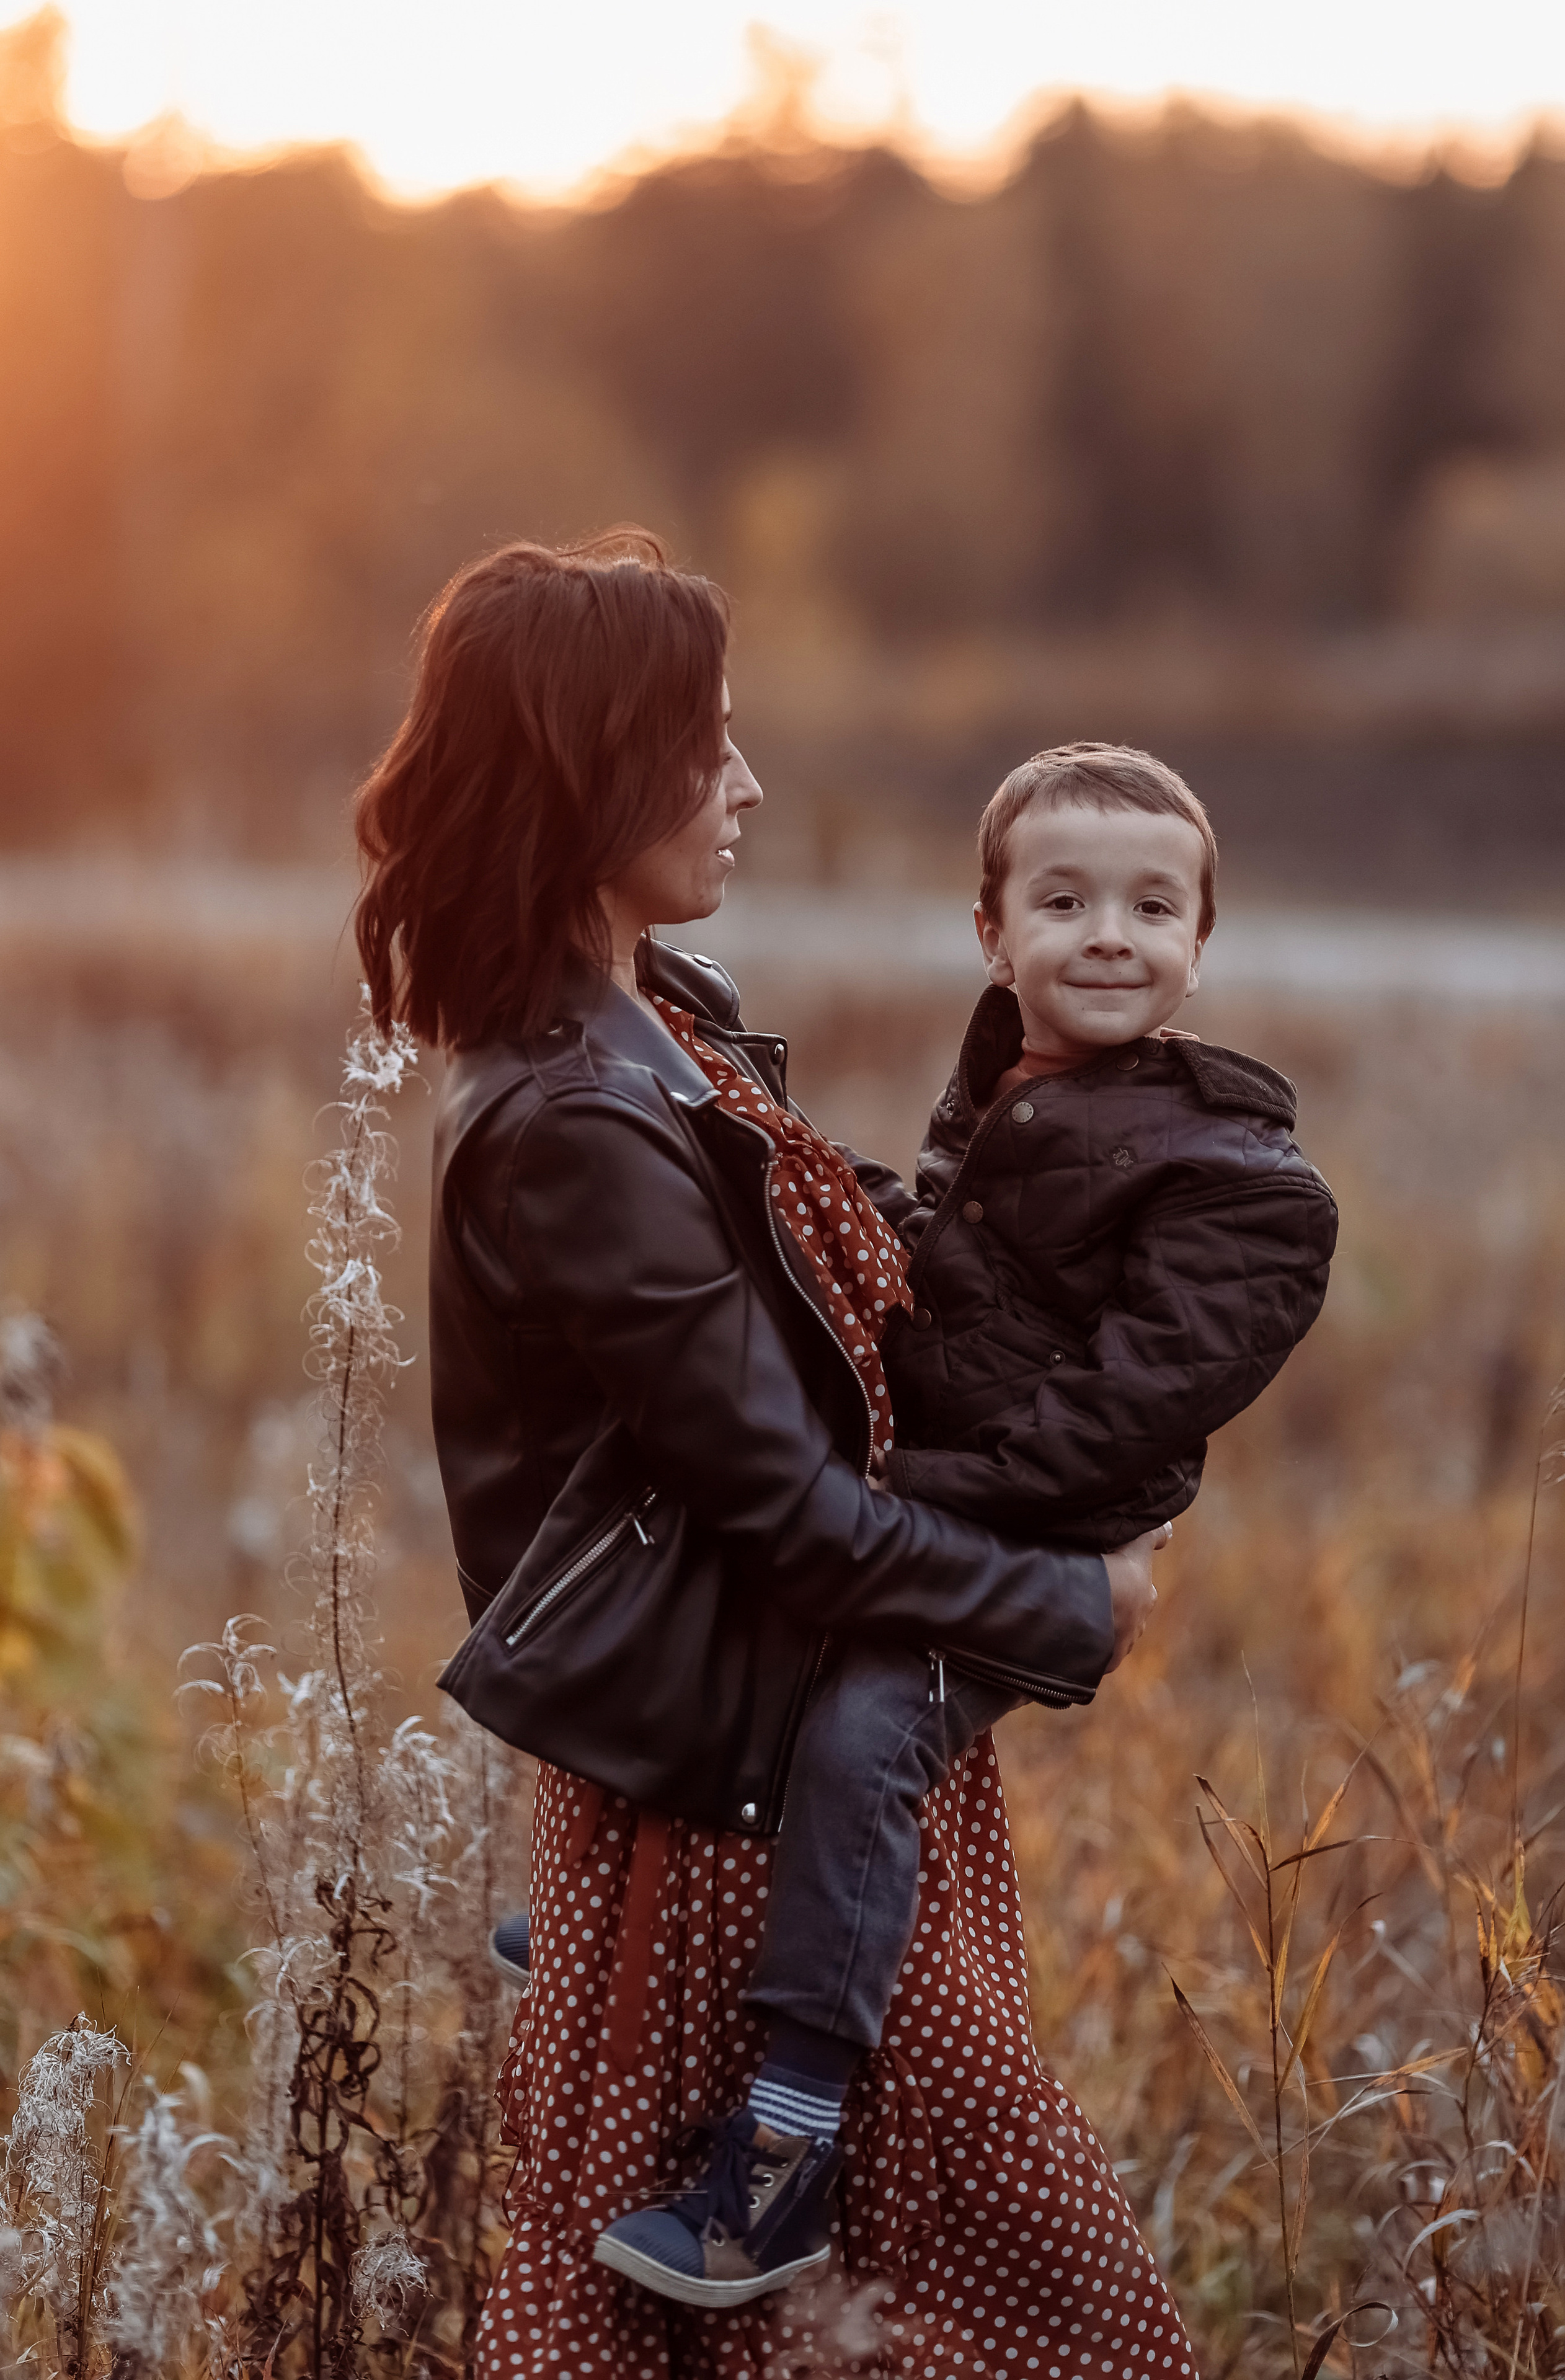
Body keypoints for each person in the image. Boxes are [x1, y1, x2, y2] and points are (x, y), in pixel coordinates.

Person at [356, 532, 1199, 2378]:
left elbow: (850, 1313)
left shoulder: (661, 1018)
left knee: (902, 2321)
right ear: (592, 772)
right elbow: (793, 1518)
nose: (745, 786)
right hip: (744, 1813)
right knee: (1044, 2315)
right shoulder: (577, 1117)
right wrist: (1073, 1598)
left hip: (821, 1758)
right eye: (707, 746)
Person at [593, 740, 1339, 2304]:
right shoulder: (1015, 1082)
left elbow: (1120, 1409)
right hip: (961, 1499)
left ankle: (785, 2154)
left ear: (1203, 938)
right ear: (992, 930)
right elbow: (957, 1264)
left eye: (1151, 904)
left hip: (1048, 1540)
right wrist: (816, 1184)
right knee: (738, 1577)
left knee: (869, 1729)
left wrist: (899, 1499)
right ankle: (634, 1917)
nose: (1108, 935)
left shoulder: (1244, 1181)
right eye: (1061, 899)